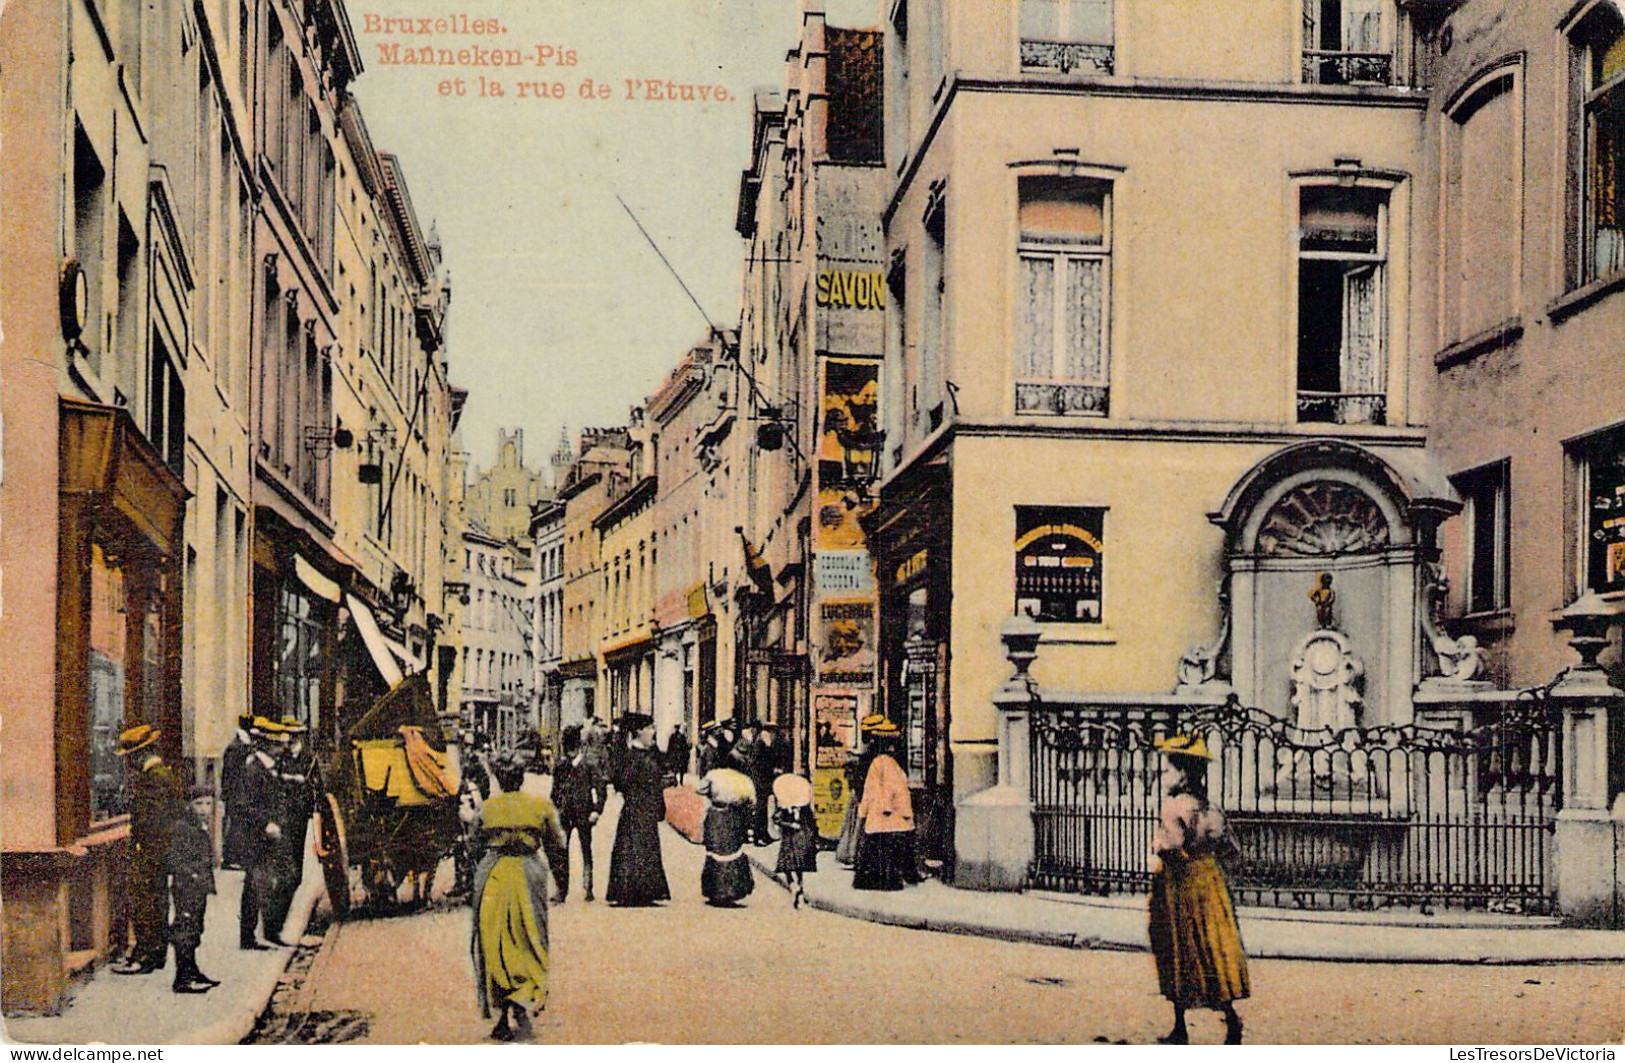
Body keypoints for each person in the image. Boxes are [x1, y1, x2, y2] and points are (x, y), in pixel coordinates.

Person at [1147, 734, 1249, 1046]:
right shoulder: (1211, 807)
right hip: (1210, 882)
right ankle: (1230, 1019)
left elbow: (1172, 847)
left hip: (1180, 884)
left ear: (1183, 773)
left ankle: (1180, 1027)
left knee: (1177, 948)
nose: (1163, 775)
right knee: (1211, 950)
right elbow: (1232, 849)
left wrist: (1158, 846)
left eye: (1168, 770)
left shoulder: (1173, 806)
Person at [471, 752, 568, 1042]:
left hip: (494, 876)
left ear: (499, 780)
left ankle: (501, 1014)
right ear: (522, 777)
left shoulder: (488, 808)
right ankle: (524, 1005)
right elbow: (558, 842)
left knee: (495, 942)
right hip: (529, 874)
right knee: (530, 938)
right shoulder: (539, 805)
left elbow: (473, 842)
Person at [111, 725, 185, 975]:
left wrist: (144, 849)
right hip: (156, 852)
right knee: (155, 902)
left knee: (147, 904)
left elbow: (154, 820)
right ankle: (154, 954)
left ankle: (146, 956)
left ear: (139, 754)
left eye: (130, 757)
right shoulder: (158, 774)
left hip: (151, 853)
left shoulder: (154, 777)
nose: (128, 763)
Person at [605, 714, 671, 907]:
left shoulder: (649, 752)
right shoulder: (630, 755)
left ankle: (645, 891)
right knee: (632, 847)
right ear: (639, 731)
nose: (653, 732)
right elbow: (622, 780)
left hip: (647, 808)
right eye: (650, 728)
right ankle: (629, 891)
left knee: (647, 847)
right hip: (635, 808)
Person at [239, 719, 290, 950]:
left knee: (269, 884)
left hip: (270, 837)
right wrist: (266, 823)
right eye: (277, 744)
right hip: (256, 838)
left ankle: (269, 932)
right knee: (255, 887)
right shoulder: (253, 769)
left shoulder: (271, 767)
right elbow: (245, 806)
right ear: (268, 745)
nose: (281, 748)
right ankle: (249, 937)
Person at [853, 722, 919, 892]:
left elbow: (870, 789)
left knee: (876, 849)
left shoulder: (878, 762)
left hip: (879, 815)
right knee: (890, 849)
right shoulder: (889, 763)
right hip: (890, 815)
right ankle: (890, 880)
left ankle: (874, 880)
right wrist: (905, 811)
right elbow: (897, 790)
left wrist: (863, 811)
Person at [166, 784, 220, 994]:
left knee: (195, 928)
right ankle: (182, 978)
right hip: (187, 887)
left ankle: (192, 970)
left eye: (208, 804)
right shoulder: (183, 827)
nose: (204, 809)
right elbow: (175, 859)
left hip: (198, 887)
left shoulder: (200, 825)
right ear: (189, 805)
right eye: (199, 804)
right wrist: (193, 875)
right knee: (185, 930)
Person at [264, 718, 314, 937]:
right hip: (282, 818)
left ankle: (276, 925)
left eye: (296, 735)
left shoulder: (309, 758)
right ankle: (272, 925)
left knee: (296, 871)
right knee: (284, 871)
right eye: (289, 734)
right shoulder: (279, 758)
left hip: (299, 816)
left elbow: (316, 784)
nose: (292, 739)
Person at [551, 725, 605, 902]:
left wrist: (597, 810)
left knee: (586, 849)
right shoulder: (561, 766)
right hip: (565, 814)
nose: (570, 753)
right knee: (561, 850)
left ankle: (588, 886)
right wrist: (555, 809)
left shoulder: (589, 766)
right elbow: (555, 792)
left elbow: (600, 789)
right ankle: (562, 889)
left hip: (584, 813)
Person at [695, 767, 756, 907]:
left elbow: (700, 789)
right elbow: (751, 801)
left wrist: (712, 794)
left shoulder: (713, 775)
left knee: (715, 850)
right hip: (733, 816)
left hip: (716, 815)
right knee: (732, 851)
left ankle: (716, 890)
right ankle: (732, 890)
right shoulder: (744, 780)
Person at [772, 773, 818, 909]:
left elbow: (777, 819)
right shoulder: (805, 809)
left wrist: (789, 825)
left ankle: (794, 888)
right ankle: (800, 890)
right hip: (802, 838)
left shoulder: (785, 808)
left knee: (787, 866)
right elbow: (813, 824)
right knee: (800, 867)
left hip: (789, 839)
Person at [219, 715, 256, 870]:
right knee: (236, 824)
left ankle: (238, 857)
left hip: (239, 791)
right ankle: (231, 858)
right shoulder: (236, 747)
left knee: (240, 824)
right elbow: (230, 773)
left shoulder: (240, 744)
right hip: (237, 792)